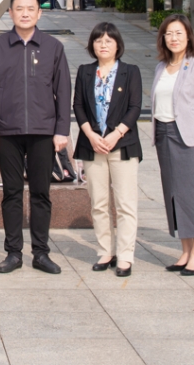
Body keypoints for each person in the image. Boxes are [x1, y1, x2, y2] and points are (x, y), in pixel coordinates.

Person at [0, 0, 72, 274]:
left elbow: (63, 89)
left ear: (39, 13)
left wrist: (61, 130)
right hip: (7, 131)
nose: (24, 13)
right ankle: (13, 253)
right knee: (11, 192)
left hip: (42, 131)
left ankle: (41, 252)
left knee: (41, 193)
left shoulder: (52, 47)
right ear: (10, 13)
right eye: (19, 8)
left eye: (30, 9)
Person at [72, 22, 142, 277]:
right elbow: (78, 105)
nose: (103, 45)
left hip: (122, 145)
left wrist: (116, 134)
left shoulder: (130, 71)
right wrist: (91, 134)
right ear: (92, 45)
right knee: (99, 203)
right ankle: (105, 252)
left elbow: (135, 107)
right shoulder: (85, 71)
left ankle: (125, 256)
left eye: (108, 41)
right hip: (93, 145)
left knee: (125, 204)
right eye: (98, 40)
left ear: (117, 45)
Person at [152, 14, 194, 276]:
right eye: (169, 33)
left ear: (189, 36)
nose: (174, 38)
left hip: (190, 138)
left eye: (179, 33)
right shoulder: (161, 66)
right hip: (163, 133)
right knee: (174, 193)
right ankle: (185, 250)